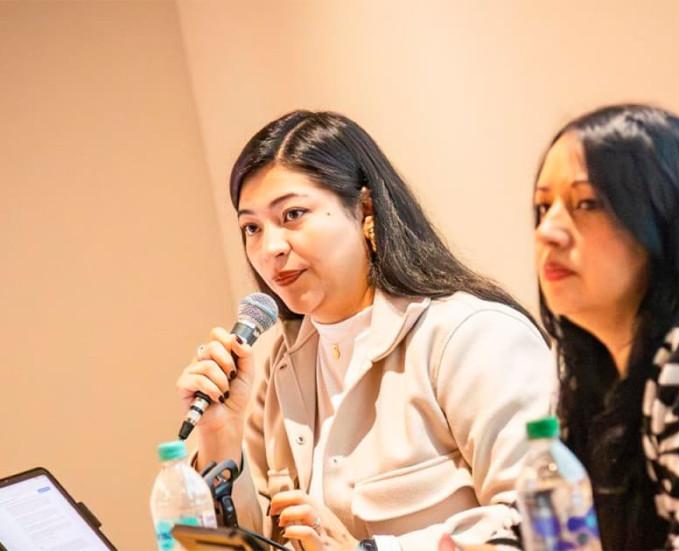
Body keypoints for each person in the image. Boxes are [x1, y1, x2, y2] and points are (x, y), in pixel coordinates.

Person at [175, 110, 557, 550]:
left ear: (365, 209)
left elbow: (540, 525)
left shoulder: (472, 337)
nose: (270, 248)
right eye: (252, 228)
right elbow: (250, 541)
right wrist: (221, 435)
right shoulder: (279, 369)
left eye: (293, 214)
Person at [532, 104, 679, 549]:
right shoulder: (586, 362)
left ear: (662, 217)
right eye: (543, 207)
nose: (549, 230)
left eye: (586, 203)